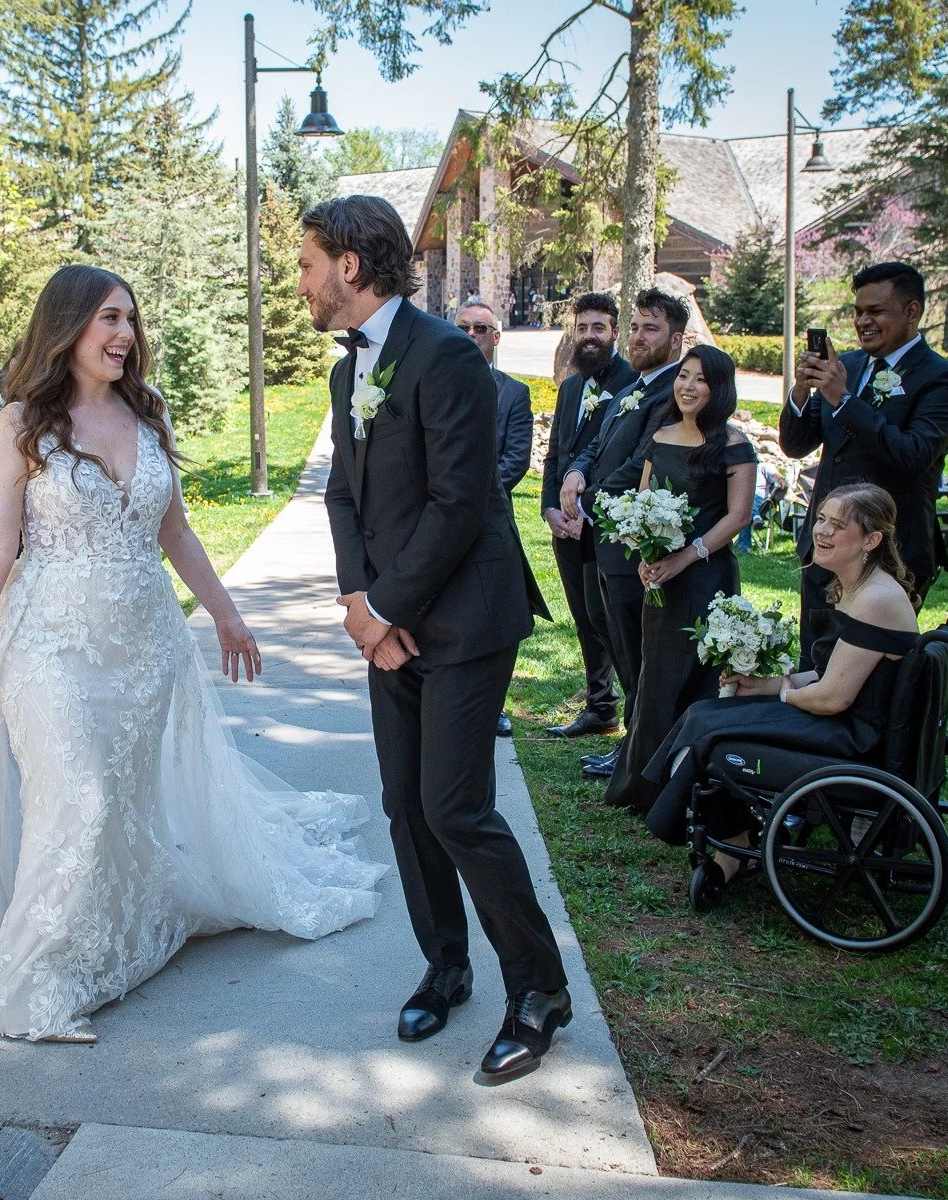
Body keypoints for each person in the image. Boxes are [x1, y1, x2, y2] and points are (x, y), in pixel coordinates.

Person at [0, 264, 385, 1044]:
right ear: (66, 327)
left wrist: (226, 614)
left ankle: (117, 929)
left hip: (146, 644)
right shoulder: (21, 424)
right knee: (79, 796)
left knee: (121, 800)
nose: (124, 333)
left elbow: (177, 531)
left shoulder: (146, 412)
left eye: (129, 317)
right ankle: (38, 981)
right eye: (106, 319)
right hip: (50, 643)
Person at [309, 195, 570, 1080]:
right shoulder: (351, 375)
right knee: (405, 805)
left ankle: (537, 989)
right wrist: (361, 605)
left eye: (308, 264)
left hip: (464, 620)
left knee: (456, 807)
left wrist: (387, 611)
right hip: (389, 621)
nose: (301, 283)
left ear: (351, 266)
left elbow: (463, 504)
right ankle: (446, 966)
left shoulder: (450, 356)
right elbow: (344, 497)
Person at [640, 484, 920, 909]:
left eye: (837, 525)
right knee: (709, 713)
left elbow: (832, 699)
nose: (821, 532)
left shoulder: (877, 599)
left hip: (852, 736)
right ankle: (731, 841)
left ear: (871, 539)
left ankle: (729, 845)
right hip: (845, 718)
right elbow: (833, 674)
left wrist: (784, 696)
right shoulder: (861, 586)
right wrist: (772, 686)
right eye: (821, 519)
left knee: (713, 731)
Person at [600, 345, 757, 813]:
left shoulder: (732, 444)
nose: (687, 386)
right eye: (683, 376)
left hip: (706, 577)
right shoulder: (662, 435)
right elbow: (644, 503)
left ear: (720, 388)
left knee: (698, 676)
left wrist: (687, 556)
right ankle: (642, 785)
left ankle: (689, 788)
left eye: (701, 379)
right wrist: (645, 553)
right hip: (659, 580)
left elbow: (738, 516)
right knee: (656, 677)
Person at [781, 262, 948, 653]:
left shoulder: (942, 378)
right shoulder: (845, 365)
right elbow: (796, 445)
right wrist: (800, 391)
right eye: (858, 312)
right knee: (815, 659)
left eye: (876, 311)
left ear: (912, 311)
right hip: (826, 545)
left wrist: (844, 400)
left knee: (873, 672)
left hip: (892, 551)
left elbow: (913, 455)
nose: (863, 321)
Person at [559, 288, 689, 779]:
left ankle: (639, 751)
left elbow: (643, 461)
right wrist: (575, 472)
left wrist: (588, 500)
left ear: (676, 339)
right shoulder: (637, 384)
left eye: (649, 329)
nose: (637, 337)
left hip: (636, 543)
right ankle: (632, 743)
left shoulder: (672, 391)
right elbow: (598, 445)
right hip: (606, 539)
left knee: (639, 651)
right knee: (611, 633)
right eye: (635, 327)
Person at [540, 292, 635, 743]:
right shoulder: (571, 386)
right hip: (565, 524)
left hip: (603, 523)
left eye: (599, 328)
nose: (590, 336)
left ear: (614, 331)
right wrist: (549, 509)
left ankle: (634, 706)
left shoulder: (633, 384)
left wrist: (590, 511)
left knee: (607, 618)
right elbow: (556, 452)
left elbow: (627, 459)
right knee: (582, 615)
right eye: (583, 328)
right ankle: (601, 707)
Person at [453, 297, 532, 738]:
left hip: (489, 525)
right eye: (463, 327)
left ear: (495, 337)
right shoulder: (435, 383)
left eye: (480, 329)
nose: (470, 336)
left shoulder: (514, 394)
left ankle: (495, 703)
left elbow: (515, 461)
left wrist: (463, 501)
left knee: (494, 620)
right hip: (439, 525)